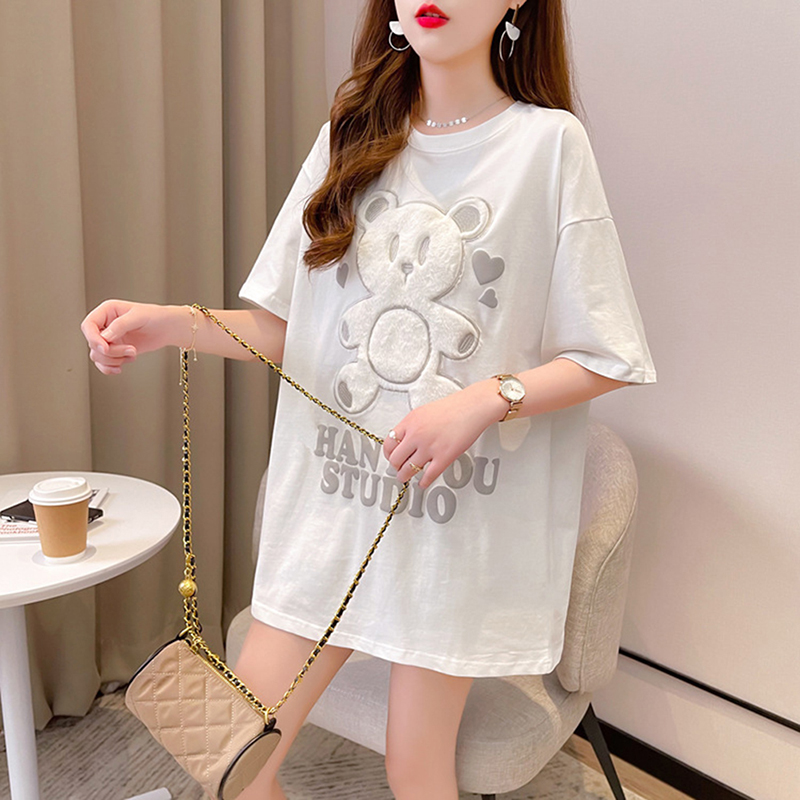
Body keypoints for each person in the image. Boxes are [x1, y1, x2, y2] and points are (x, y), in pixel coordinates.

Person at [81, 1, 657, 797]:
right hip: (331, 512)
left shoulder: (548, 147)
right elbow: (294, 329)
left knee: (415, 767)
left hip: (452, 528)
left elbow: (608, 353)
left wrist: (482, 400)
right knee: (230, 762)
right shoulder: (349, 136)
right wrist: (169, 324)